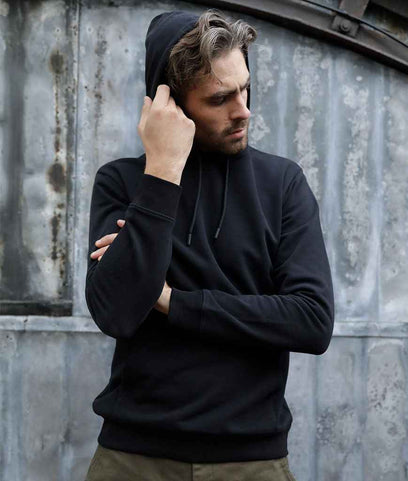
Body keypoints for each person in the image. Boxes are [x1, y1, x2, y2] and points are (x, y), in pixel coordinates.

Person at [84, 8, 334, 481]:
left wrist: (170, 300)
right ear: (172, 104)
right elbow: (116, 311)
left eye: (244, 88)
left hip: (252, 461)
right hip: (132, 457)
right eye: (220, 99)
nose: (243, 111)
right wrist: (162, 173)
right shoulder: (124, 182)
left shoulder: (282, 184)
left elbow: (311, 321)